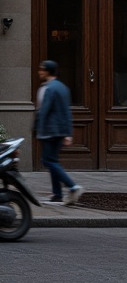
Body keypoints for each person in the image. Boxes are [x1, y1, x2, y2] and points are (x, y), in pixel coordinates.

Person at [34, 59, 83, 205]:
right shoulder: (62, 87)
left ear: (48, 71)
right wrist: (68, 133)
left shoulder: (48, 88)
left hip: (49, 131)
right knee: (53, 161)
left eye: (42, 69)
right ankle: (57, 194)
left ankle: (72, 187)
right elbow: (66, 112)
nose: (39, 72)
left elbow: (43, 111)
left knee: (47, 161)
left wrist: (38, 130)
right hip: (59, 131)